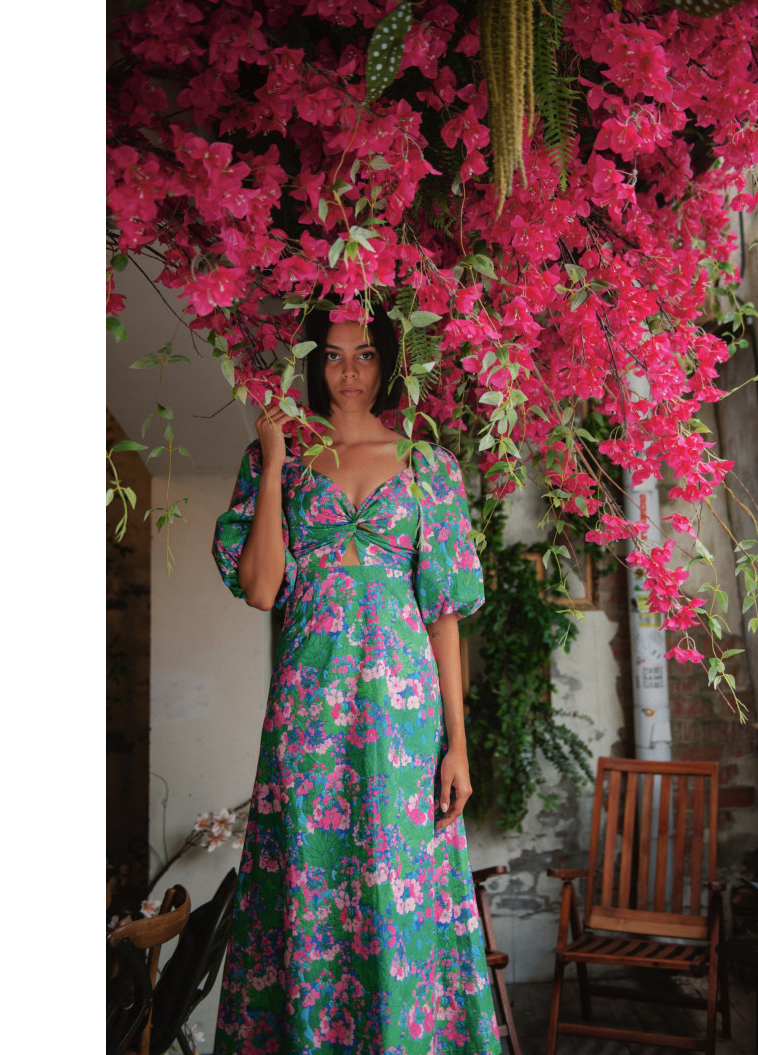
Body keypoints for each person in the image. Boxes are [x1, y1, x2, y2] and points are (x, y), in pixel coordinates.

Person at [209, 307, 501, 1052]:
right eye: (334, 355)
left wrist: (457, 745)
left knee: (401, 887)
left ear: (387, 363)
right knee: (310, 880)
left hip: (405, 721)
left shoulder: (429, 466)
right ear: (313, 363)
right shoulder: (276, 459)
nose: (348, 372)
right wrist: (275, 459)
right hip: (308, 712)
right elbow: (262, 589)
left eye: (365, 355)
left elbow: (443, 615)